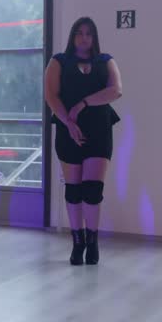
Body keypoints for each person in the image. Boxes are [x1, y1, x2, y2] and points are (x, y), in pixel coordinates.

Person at [45, 17, 122, 266]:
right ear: (72, 36)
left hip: (99, 128)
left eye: (89, 33)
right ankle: (77, 240)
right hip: (69, 128)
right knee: (74, 189)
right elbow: (51, 95)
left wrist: (84, 103)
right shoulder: (59, 61)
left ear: (94, 37)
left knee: (93, 190)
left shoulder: (105, 61)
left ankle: (93, 240)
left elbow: (116, 90)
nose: (84, 37)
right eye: (79, 33)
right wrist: (68, 122)